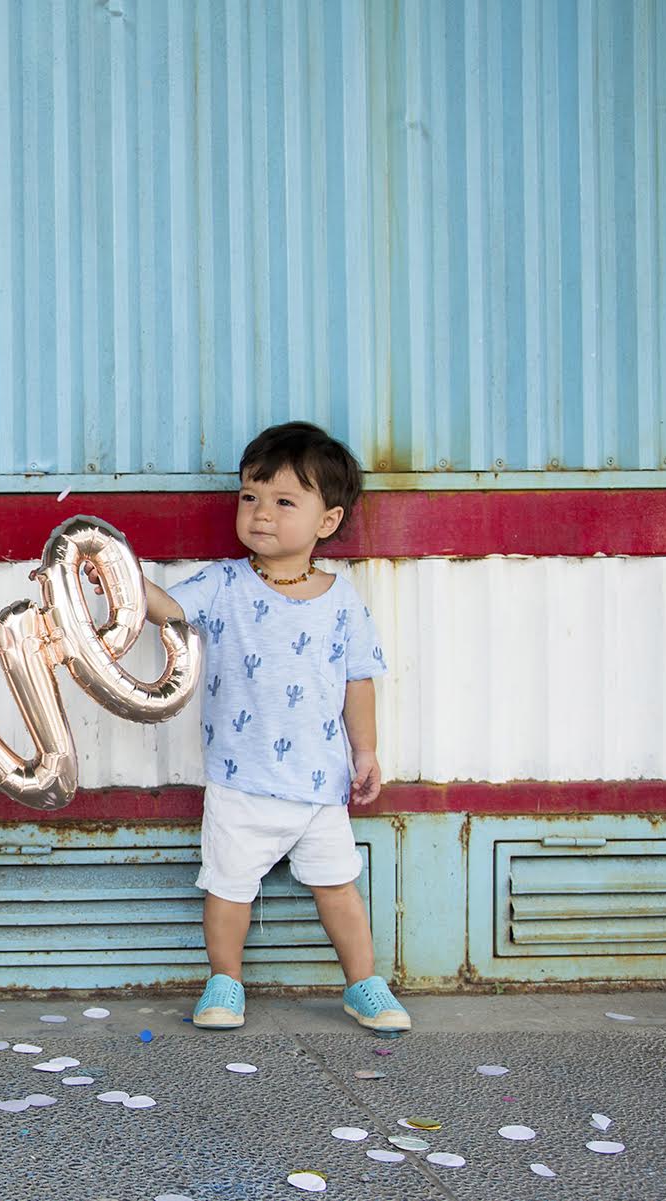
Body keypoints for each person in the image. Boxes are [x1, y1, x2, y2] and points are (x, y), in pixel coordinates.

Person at [129, 421, 408, 1033]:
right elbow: (169, 611)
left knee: (338, 887)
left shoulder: (342, 600)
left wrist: (367, 753)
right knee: (229, 889)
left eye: (285, 502)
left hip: (318, 784)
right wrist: (117, 573)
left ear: (326, 522)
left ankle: (364, 983)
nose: (261, 514)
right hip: (240, 777)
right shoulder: (224, 584)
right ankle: (224, 983)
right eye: (250, 497)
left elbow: (357, 680)